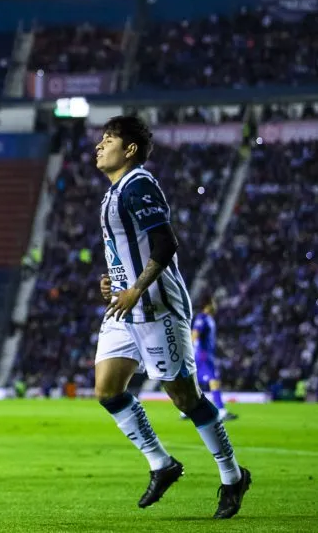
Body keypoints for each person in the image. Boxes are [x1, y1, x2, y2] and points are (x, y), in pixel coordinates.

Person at [94, 115, 249, 518]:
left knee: (184, 397)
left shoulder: (139, 184)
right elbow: (128, 251)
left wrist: (136, 288)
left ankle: (233, 477)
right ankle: (162, 464)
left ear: (129, 149)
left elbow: (165, 242)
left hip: (157, 307)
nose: (99, 145)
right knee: (107, 390)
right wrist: (114, 283)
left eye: (108, 139)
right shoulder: (111, 195)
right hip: (124, 309)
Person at [181, 300, 237, 422]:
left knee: (194, 381)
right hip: (203, 355)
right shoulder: (203, 318)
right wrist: (190, 348)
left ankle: (185, 410)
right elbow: (195, 333)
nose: (215, 306)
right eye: (213, 303)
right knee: (213, 380)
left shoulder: (209, 319)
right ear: (207, 305)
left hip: (206, 354)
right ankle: (221, 410)